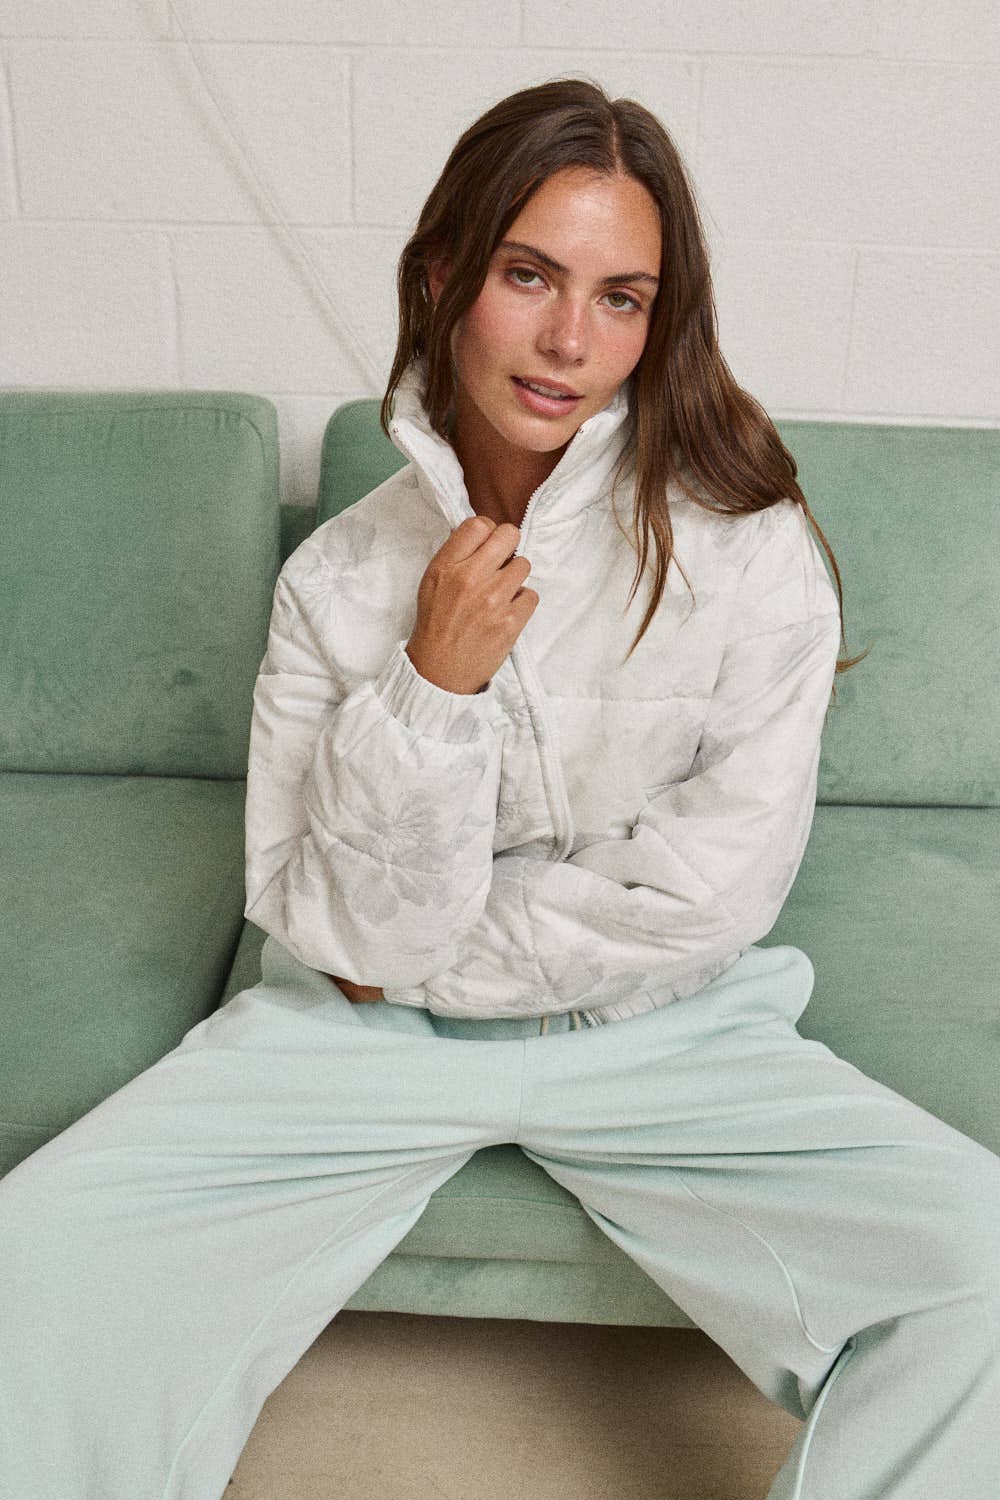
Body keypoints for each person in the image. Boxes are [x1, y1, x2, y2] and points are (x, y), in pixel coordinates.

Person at [1, 78, 997, 1500]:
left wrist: (431, 955)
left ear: (659, 320)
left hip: (667, 1030)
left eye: (620, 296)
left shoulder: (751, 545)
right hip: (353, 1043)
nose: (570, 341)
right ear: (443, 276)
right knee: (36, 1266)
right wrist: (431, 687)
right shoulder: (338, 579)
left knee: (981, 1279)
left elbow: (707, 899)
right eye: (530, 275)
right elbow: (328, 936)